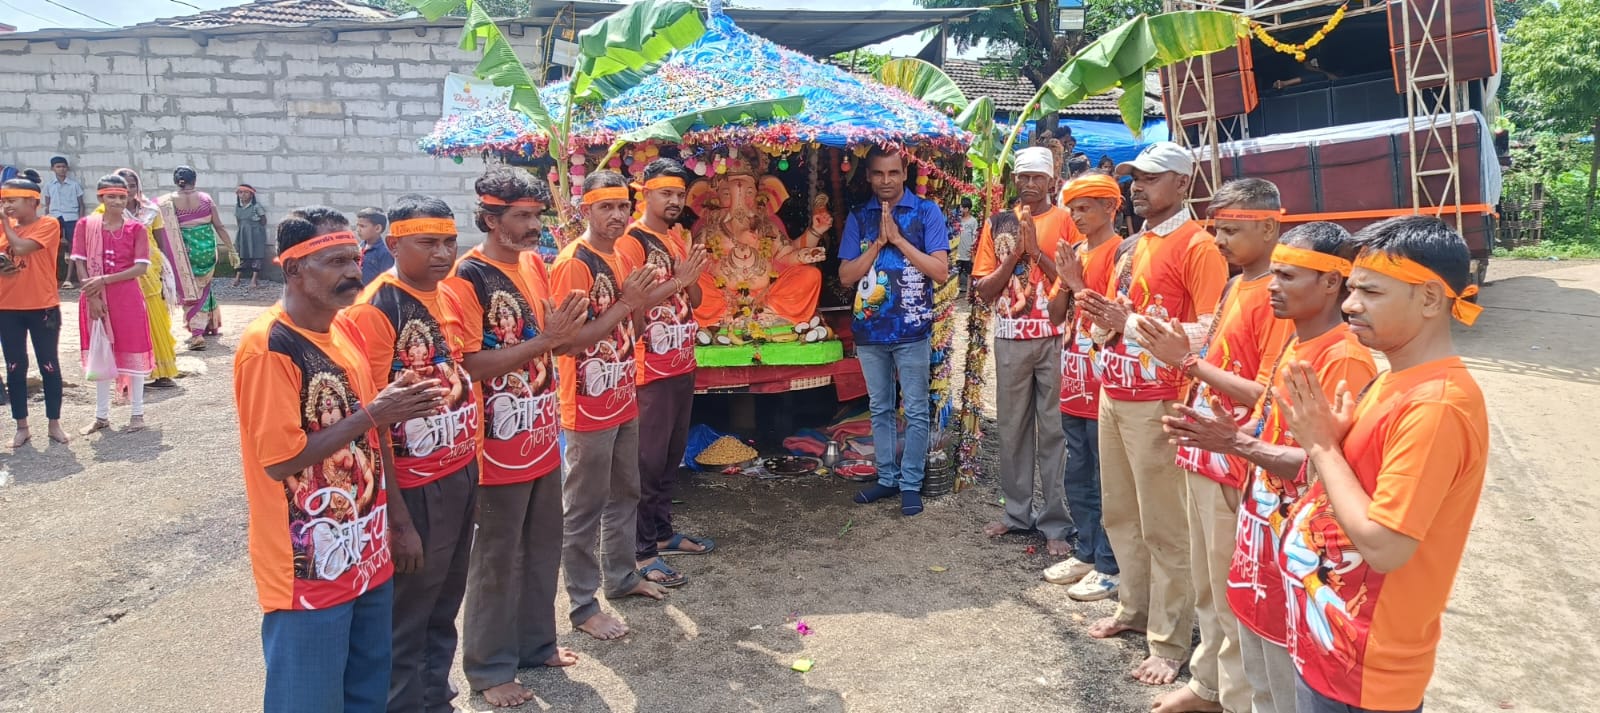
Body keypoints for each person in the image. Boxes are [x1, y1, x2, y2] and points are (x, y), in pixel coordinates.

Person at [1272, 217, 1487, 713]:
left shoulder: (1437, 405)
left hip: (1365, 671)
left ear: (1429, 299)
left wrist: (1323, 447)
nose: (1350, 304)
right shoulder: (1394, 379)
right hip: (1332, 648)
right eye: (1351, 288)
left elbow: (1385, 546)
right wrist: (1335, 445)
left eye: (1370, 291)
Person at [234, 212, 446, 713]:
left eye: (354, 258)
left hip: (366, 550)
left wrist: (397, 522)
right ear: (292, 269)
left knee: (367, 693)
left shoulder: (342, 330)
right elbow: (281, 461)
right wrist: (374, 414)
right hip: (309, 562)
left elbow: (373, 435)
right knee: (308, 699)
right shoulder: (270, 347)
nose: (352, 271)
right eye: (334, 262)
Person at [1162, 222, 1375, 713]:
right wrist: (1228, 434)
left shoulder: (1344, 359)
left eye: (1288, 276)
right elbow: (1271, 428)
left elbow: (1327, 469)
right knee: (1260, 683)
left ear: (1331, 282)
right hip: (1260, 536)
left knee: (1283, 691)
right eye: (1273, 274)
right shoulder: (1297, 342)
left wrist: (1234, 441)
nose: (1272, 286)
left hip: (1294, 554)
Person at [1131, 178, 1296, 713]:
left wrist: (1187, 362)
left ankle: (1235, 695)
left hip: (1233, 457)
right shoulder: (1237, 284)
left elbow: (1264, 395)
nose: (1219, 241)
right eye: (1216, 229)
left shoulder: (1277, 297)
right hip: (1204, 447)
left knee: (1230, 590)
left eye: (1230, 230)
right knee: (1207, 581)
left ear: (1268, 227)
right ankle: (1209, 685)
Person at [1076, 141, 1227, 686]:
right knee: (1120, 513)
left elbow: (1210, 331)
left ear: (1183, 183)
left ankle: (1168, 640)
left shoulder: (1199, 246)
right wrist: (1102, 321)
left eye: (1151, 178)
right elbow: (1114, 315)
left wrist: (1129, 324)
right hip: (1115, 391)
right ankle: (1134, 607)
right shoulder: (1132, 245)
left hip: (1161, 400)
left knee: (1165, 525)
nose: (1137, 187)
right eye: (1134, 178)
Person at [448, 168, 587, 708]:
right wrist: (548, 340)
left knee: (542, 543)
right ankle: (489, 668)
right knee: (497, 557)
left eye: (536, 215)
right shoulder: (467, 278)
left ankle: (536, 643)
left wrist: (567, 335)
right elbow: (469, 365)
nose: (534, 226)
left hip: (541, 431)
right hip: (496, 443)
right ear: (489, 219)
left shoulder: (532, 263)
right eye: (522, 217)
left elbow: (552, 338)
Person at [340, 196, 481, 713]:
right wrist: (398, 520)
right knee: (409, 614)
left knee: (444, 602)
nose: (443, 254)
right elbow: (373, 420)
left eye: (449, 242)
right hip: (415, 486)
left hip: (458, 470)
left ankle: (435, 697)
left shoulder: (448, 293)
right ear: (394, 244)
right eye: (428, 243)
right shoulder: (377, 309)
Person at [551, 171, 677, 641]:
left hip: (622, 394)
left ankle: (622, 577)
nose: (618, 215)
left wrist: (635, 306)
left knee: (626, 492)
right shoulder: (574, 263)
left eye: (623, 206)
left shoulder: (621, 255)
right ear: (586, 210)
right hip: (586, 404)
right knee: (584, 506)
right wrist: (628, 304)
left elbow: (634, 327)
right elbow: (567, 344)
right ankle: (583, 605)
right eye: (606, 207)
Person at [972, 146, 1079, 553]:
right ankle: (1017, 514)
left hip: (1055, 338)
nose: (1030, 184)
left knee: (1054, 431)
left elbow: (1077, 280)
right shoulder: (998, 223)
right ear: (1014, 179)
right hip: (1010, 339)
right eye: (1023, 177)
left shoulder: (1067, 221)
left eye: (1038, 177)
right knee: (1012, 428)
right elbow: (983, 290)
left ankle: (1056, 523)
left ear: (1052, 180)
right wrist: (1015, 254)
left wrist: (1036, 253)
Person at [617, 159, 715, 587]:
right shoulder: (631, 242)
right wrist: (678, 281)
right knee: (647, 460)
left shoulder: (675, 237)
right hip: (648, 368)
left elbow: (695, 297)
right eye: (666, 194)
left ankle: (662, 533)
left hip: (680, 361)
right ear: (645, 193)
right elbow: (630, 304)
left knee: (670, 457)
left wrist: (689, 277)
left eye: (679, 194)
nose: (674, 201)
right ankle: (641, 551)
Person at [837, 146, 951, 516]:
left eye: (893, 173)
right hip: (870, 330)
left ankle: (910, 483)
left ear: (904, 174)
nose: (886, 181)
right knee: (880, 407)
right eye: (878, 173)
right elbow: (846, 276)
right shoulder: (859, 216)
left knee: (915, 408)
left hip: (913, 329)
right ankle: (887, 477)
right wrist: (878, 243)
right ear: (868, 176)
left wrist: (899, 239)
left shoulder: (926, 212)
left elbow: (940, 271)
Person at [1041, 174, 1124, 601]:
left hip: (1105, 380)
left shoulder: (1121, 253)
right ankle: (1087, 551)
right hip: (1073, 377)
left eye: (1086, 208)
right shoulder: (1075, 252)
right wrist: (1064, 276)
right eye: (1072, 209)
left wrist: (1076, 283)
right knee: (1077, 471)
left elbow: (1109, 318)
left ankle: (1111, 564)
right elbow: (1056, 315)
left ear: (1111, 208)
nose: (1076, 216)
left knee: (1106, 476)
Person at [72, 175, 155, 435]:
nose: (118, 201)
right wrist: (93, 296)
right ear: (101, 198)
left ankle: (137, 413)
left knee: (133, 352)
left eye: (122, 196)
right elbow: (80, 262)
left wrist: (104, 280)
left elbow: (140, 268)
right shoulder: (86, 226)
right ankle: (101, 415)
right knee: (101, 353)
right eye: (112, 196)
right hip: (94, 298)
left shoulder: (136, 229)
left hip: (127, 299)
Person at [0, 177, 68, 446]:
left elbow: (21, 248)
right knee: (15, 367)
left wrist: (6, 225)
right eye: (3, 201)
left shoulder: (48, 224)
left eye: (12, 200)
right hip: (7, 307)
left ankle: (54, 424)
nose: (6, 206)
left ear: (32, 201)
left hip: (42, 305)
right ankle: (22, 426)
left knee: (48, 365)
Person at [103, 169, 181, 390]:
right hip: (122, 271)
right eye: (123, 186)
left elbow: (160, 243)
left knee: (155, 319)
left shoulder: (151, 210)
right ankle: (130, 375)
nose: (128, 190)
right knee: (127, 323)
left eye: (132, 185)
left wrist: (164, 272)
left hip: (150, 270)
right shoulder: (105, 213)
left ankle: (162, 372)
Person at [157, 166, 236, 351]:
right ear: (195, 180)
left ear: (176, 181)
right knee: (203, 288)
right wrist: (231, 250)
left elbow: (159, 229)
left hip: (183, 253)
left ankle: (197, 333)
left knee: (190, 291)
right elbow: (219, 226)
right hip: (206, 251)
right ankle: (209, 324)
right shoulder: (205, 199)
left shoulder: (167, 203)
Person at [41, 156, 83, 289]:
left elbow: (81, 205)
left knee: (73, 247)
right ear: (52, 169)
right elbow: (47, 205)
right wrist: (46, 219)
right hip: (55, 217)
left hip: (71, 217)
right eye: (58, 167)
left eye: (64, 166)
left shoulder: (74, 185)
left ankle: (68, 278)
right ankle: (51, 277)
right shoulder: (49, 186)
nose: (61, 169)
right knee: (51, 246)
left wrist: (80, 221)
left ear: (67, 168)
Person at [234, 185, 269, 288]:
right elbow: (238, 221)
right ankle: (237, 278)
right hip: (243, 234)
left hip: (255, 234)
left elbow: (263, 220)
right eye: (240, 192)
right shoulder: (237, 207)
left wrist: (255, 228)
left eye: (246, 192)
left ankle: (254, 279)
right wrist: (243, 230)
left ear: (251, 195)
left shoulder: (256, 207)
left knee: (257, 254)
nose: (243, 195)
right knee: (242, 254)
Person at [358, 207, 396, 286]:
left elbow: (387, 281)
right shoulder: (359, 248)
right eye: (357, 226)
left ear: (377, 228)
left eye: (362, 226)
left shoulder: (384, 253)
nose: (358, 230)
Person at [955, 197, 977, 292]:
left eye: (962, 207)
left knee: (969, 273)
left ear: (967, 209)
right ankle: (956, 290)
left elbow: (975, 237)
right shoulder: (957, 219)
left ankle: (968, 292)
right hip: (957, 252)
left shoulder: (973, 221)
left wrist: (972, 252)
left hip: (967, 252)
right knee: (956, 272)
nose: (960, 209)